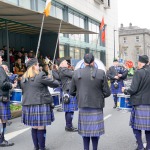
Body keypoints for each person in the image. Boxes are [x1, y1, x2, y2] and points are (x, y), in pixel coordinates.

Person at [70, 53, 111, 150]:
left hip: (83, 106)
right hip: (97, 106)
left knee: (85, 131)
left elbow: (71, 91)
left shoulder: (76, 73)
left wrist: (80, 95)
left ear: (84, 62)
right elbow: (107, 92)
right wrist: (99, 96)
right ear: (93, 62)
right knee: (95, 131)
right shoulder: (101, 73)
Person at [21, 58, 60, 150]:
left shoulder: (23, 78)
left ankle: (36, 147)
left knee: (34, 126)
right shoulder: (40, 75)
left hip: (28, 105)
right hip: (40, 104)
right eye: (38, 65)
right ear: (34, 66)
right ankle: (42, 148)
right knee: (41, 127)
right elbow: (56, 84)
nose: (39, 66)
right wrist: (50, 76)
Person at [122, 55, 150, 150]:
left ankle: (140, 146)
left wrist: (125, 90)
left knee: (136, 127)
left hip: (140, 103)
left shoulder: (139, 73)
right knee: (148, 128)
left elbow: (133, 89)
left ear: (140, 63)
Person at [0, 51, 17, 147]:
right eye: (0, 57)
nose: (2, 59)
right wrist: (11, 85)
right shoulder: (0, 69)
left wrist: (12, 78)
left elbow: (4, 79)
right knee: (3, 120)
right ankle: (1, 140)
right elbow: (3, 84)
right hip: (2, 97)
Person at [58, 57, 78, 132]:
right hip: (69, 91)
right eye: (66, 61)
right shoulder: (64, 70)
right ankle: (69, 126)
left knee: (68, 110)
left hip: (67, 91)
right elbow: (74, 74)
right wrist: (75, 69)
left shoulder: (63, 70)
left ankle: (68, 125)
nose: (67, 62)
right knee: (70, 110)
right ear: (62, 64)